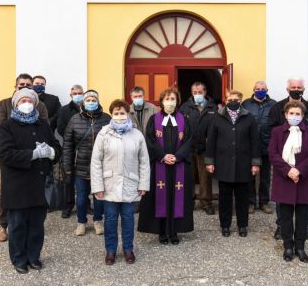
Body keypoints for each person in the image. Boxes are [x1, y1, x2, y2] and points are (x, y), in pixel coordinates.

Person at [0, 88, 61, 274]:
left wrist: (51, 152)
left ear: (35, 103)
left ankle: (33, 257)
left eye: (30, 100)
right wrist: (32, 154)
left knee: (36, 226)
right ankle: (19, 259)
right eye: (22, 100)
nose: (26, 103)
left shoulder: (43, 124)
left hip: (39, 184)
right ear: (16, 104)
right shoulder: (7, 126)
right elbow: (6, 154)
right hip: (17, 185)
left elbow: (56, 145)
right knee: (17, 225)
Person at [90, 99, 150, 265]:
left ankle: (128, 249)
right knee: (109, 219)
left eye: (122, 113)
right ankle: (110, 251)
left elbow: (144, 161)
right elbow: (96, 162)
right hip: (109, 185)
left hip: (130, 183)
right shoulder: (103, 133)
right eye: (116, 113)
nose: (119, 116)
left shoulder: (137, 135)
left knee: (128, 219)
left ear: (127, 113)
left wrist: (144, 184)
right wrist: (97, 187)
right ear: (112, 114)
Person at [0, 73, 49, 242]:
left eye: (28, 85)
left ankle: (30, 223)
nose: (25, 87)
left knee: (34, 190)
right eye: (21, 84)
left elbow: (44, 126)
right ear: (15, 86)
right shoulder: (4, 104)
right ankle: (2, 224)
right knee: (7, 190)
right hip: (13, 155)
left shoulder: (40, 106)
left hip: (36, 157)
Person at [268, 77, 308, 241]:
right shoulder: (277, 108)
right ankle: (281, 227)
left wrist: (300, 168)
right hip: (283, 166)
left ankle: (305, 228)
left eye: (299, 87)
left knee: (303, 204)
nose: (296, 89)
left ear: (303, 89)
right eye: (293, 87)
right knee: (283, 202)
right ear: (287, 89)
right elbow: (270, 131)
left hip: (303, 165)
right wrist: (286, 168)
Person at [138, 88, 194, 244]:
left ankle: (175, 231)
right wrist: (163, 156)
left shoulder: (184, 120)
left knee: (177, 197)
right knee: (160, 197)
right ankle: (162, 232)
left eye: (173, 98)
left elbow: (189, 141)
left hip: (179, 166)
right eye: (167, 98)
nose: (170, 101)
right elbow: (149, 141)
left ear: (178, 101)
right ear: (161, 101)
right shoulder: (154, 119)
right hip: (159, 166)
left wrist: (177, 156)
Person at [205, 90, 261, 237]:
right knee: (225, 198)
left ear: (241, 100)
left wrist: (255, 163)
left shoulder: (249, 117)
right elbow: (211, 140)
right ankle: (225, 225)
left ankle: (242, 225)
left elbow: (255, 141)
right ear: (225, 100)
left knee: (243, 198)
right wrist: (209, 161)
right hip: (223, 164)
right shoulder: (217, 117)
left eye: (236, 99)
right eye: (230, 99)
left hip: (244, 164)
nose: (233, 102)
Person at [63, 90, 111, 236]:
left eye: (93, 99)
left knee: (99, 196)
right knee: (82, 197)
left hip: (101, 165)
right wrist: (67, 165)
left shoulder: (106, 118)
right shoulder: (74, 119)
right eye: (88, 100)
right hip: (81, 165)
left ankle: (97, 221)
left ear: (98, 101)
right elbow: (68, 144)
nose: (91, 102)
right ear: (83, 102)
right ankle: (81, 222)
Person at [179, 82, 217, 215]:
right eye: (195, 93)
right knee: (189, 176)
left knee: (205, 177)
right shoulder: (185, 107)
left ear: (205, 92)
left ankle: (206, 202)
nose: (197, 95)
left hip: (205, 148)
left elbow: (217, 127)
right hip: (188, 148)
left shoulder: (213, 107)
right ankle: (189, 202)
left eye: (200, 92)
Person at [242, 81, 276, 214]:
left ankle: (264, 202)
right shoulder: (246, 104)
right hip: (249, 145)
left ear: (267, 90)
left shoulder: (274, 104)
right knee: (250, 175)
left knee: (265, 176)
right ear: (253, 90)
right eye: (258, 89)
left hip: (267, 144)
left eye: (263, 89)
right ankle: (250, 202)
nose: (260, 90)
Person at [56, 84, 84, 219]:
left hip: (85, 149)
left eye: (80, 93)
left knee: (86, 178)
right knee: (68, 179)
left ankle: (86, 204)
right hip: (69, 148)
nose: (78, 95)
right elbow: (60, 128)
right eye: (75, 93)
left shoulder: (88, 108)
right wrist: (73, 138)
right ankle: (67, 206)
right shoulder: (63, 110)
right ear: (71, 95)